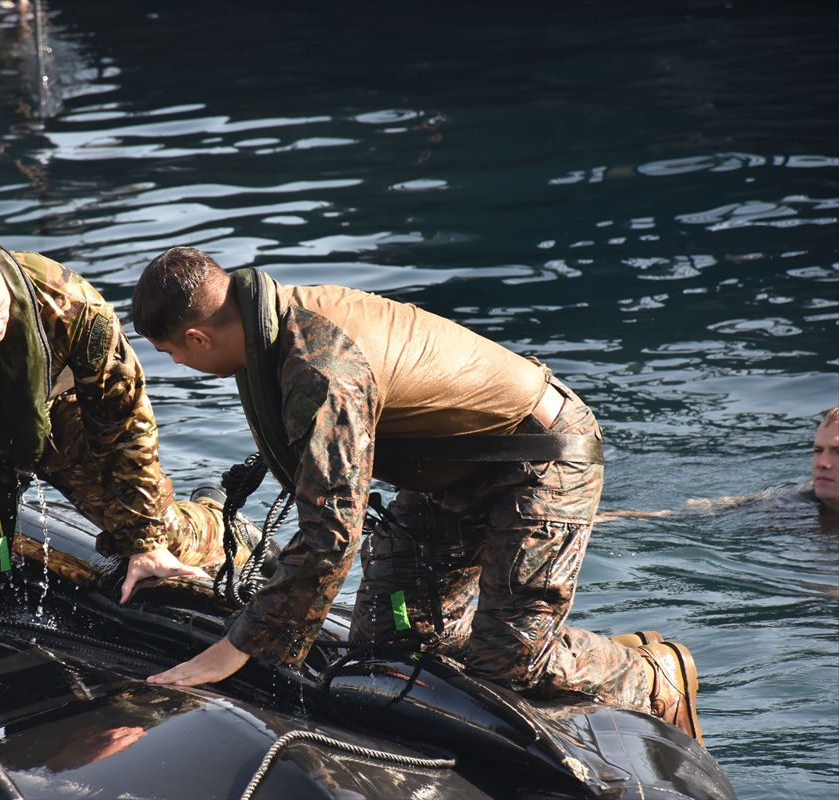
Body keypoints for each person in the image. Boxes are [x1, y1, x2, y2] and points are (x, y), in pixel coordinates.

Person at [130, 246, 704, 745]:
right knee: (387, 646)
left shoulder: (320, 364)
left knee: (508, 661)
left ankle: (652, 674)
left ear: (198, 336)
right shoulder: (272, 324)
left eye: (172, 353)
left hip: (538, 457)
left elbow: (332, 535)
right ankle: (487, 644)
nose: (178, 364)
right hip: (453, 469)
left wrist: (240, 644)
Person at [0, 228, 240, 627]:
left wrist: (145, 543)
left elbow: (124, 425)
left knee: (166, 538)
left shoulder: (69, 302)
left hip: (58, 416)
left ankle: (219, 515)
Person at [596, 407, 838, 526]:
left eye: (837, 452)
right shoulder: (797, 500)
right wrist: (621, 517)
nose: (822, 463)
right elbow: (717, 509)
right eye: (817, 451)